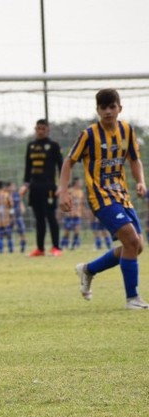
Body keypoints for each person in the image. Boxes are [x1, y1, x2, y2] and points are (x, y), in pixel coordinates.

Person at [59, 88, 147, 309]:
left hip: (122, 195)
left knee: (136, 246)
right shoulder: (88, 135)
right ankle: (132, 298)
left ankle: (88, 269)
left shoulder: (127, 130)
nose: (108, 111)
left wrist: (140, 181)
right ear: (97, 110)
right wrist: (64, 191)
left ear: (119, 108)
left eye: (112, 107)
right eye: (103, 107)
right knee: (131, 241)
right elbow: (68, 162)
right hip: (100, 197)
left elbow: (134, 159)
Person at [20, 118, 63, 257]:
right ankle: (40, 249)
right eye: (38, 128)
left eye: (43, 129)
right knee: (39, 219)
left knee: (51, 217)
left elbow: (61, 166)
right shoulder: (31, 146)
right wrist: (25, 185)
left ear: (48, 130)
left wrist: (62, 186)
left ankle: (56, 247)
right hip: (35, 188)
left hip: (50, 187)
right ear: (35, 129)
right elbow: (28, 167)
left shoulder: (54, 146)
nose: (40, 131)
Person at [60, 177, 84, 250]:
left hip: (77, 215)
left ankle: (74, 245)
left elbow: (82, 203)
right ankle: (63, 245)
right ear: (76, 183)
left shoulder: (81, 192)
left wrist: (82, 212)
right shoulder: (70, 191)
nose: (81, 183)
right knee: (67, 232)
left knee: (77, 231)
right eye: (80, 182)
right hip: (69, 215)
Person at [7, 181, 27, 253]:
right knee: (9, 233)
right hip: (9, 217)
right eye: (12, 186)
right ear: (8, 187)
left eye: (14, 186)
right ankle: (11, 248)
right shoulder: (6, 195)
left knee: (22, 231)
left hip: (18, 216)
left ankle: (23, 246)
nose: (13, 187)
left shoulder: (16, 194)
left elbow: (20, 202)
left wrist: (22, 208)